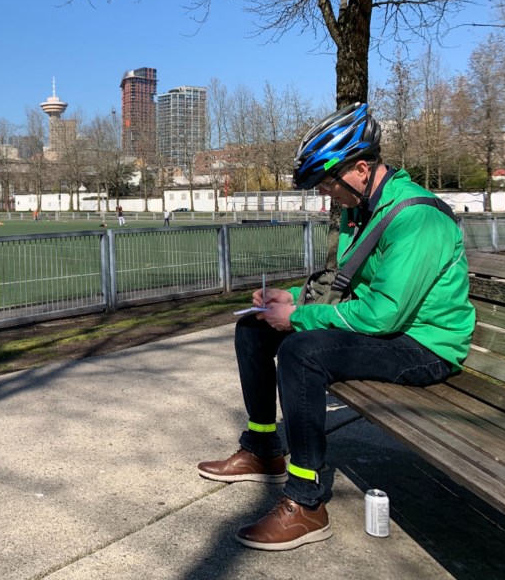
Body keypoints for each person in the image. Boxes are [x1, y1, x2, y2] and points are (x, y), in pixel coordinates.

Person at [197, 103, 474, 551]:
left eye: (328, 182)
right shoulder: (364, 208)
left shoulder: (415, 217)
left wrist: (300, 319)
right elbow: (348, 287)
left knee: (302, 352)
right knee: (254, 328)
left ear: (361, 169)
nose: (328, 193)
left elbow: (383, 313)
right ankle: (263, 449)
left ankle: (306, 500)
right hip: (392, 331)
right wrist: (294, 298)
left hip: (426, 346)